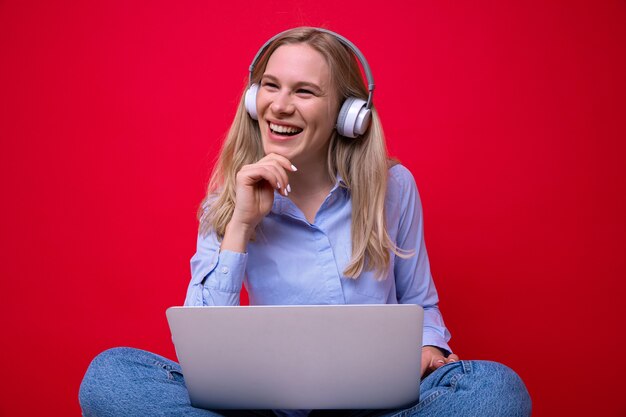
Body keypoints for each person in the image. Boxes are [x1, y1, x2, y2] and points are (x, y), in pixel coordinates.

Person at [79, 27, 531, 417]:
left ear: (348, 115)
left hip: (376, 405)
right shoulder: (228, 200)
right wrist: (240, 224)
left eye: (304, 91)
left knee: (495, 388)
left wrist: (429, 347)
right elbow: (200, 347)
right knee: (111, 376)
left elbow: (419, 300)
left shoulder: (393, 187)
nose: (280, 105)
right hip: (265, 405)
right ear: (253, 100)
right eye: (270, 87)